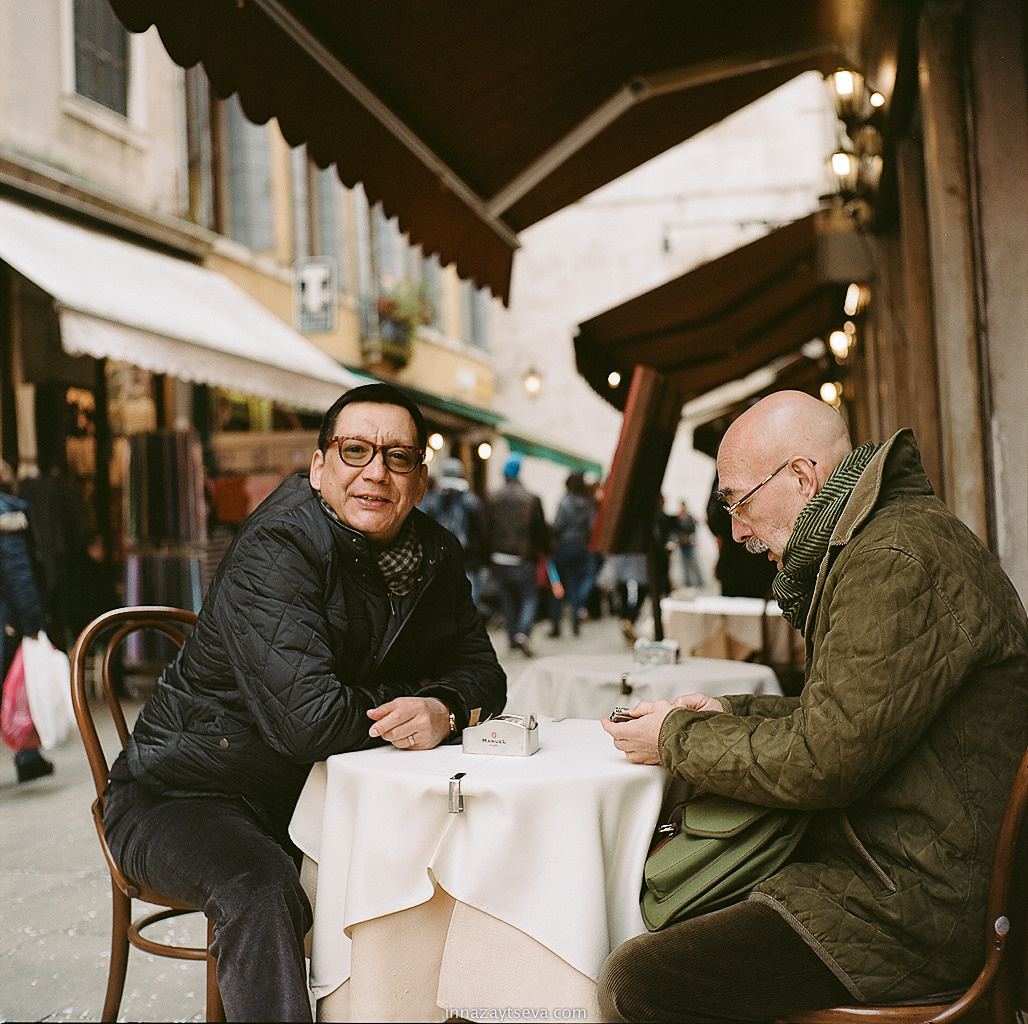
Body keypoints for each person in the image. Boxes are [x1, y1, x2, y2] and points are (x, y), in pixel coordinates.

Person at [600, 390, 1028, 1022]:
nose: (737, 529)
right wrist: (727, 714)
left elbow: (823, 761)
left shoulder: (891, 558)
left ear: (802, 477)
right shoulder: (880, 540)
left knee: (633, 980)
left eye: (738, 502)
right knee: (672, 896)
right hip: (896, 873)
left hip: (908, 909)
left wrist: (677, 738)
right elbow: (844, 718)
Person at [100, 383, 507, 1022]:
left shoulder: (432, 553)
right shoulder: (278, 547)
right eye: (354, 451)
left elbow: (484, 672)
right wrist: (417, 698)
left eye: (398, 457)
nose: (376, 471)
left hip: (315, 798)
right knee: (260, 886)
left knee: (470, 851)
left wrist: (447, 707)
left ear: (420, 481)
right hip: (184, 795)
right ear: (318, 467)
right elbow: (309, 723)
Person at [0, 460, 55, 782]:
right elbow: (18, 574)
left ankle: (29, 754)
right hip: (6, 620)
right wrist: (34, 623)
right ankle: (28, 755)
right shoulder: (7, 516)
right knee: (18, 686)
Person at [483, 453, 549, 657]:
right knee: (529, 597)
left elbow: (486, 529)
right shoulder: (531, 499)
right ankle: (523, 632)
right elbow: (540, 529)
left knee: (508, 600)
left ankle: (512, 641)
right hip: (523, 557)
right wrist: (545, 551)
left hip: (499, 557)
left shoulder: (492, 498)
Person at [421, 457, 487, 613]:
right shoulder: (471, 500)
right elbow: (480, 530)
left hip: (442, 554)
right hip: (468, 556)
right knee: (470, 594)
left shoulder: (434, 499)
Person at [547, 471, 597, 638]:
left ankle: (556, 623)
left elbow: (558, 525)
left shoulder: (564, 502)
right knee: (575, 585)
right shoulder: (588, 504)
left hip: (564, 548)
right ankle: (575, 617)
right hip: (581, 547)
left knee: (557, 586)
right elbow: (592, 527)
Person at [675, 500, 703, 588]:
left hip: (690, 544)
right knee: (684, 565)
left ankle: (700, 582)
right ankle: (688, 583)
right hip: (682, 545)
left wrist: (689, 537)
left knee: (695, 563)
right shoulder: (678, 519)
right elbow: (676, 530)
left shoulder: (690, 517)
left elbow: (693, 529)